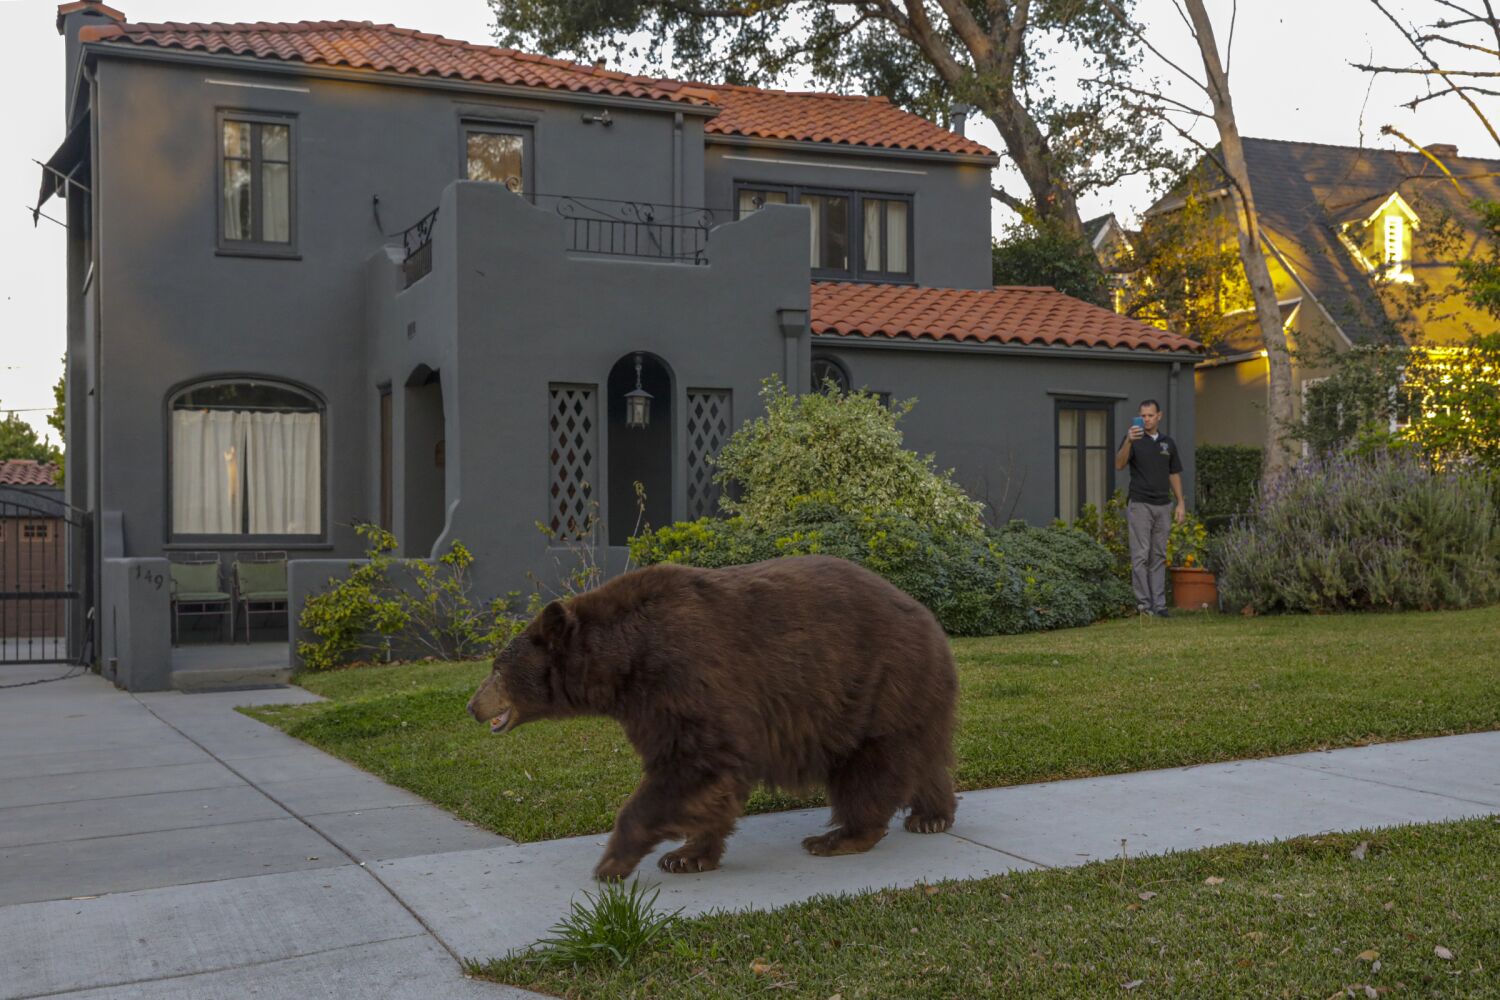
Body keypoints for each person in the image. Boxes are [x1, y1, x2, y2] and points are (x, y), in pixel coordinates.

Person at [1114, 399, 1185, 618]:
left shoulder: (1168, 443)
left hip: (1163, 505)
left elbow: (1173, 473)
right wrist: (1128, 441)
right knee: (1140, 555)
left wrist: (1180, 502)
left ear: (1159, 416)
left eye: (1150, 415)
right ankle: (1144, 606)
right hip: (1140, 504)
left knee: (1159, 555)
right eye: (1142, 416)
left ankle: (1160, 606)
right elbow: (1119, 464)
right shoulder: (1133, 440)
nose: (1146, 419)